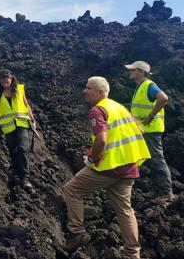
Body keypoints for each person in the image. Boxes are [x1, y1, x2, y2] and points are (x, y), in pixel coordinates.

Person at [62, 77, 151, 258]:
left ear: (100, 92)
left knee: (71, 189)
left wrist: (92, 158)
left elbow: (102, 140)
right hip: (128, 166)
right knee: (125, 211)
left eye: (89, 88)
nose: (85, 91)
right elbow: (139, 130)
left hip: (110, 166)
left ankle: (78, 233)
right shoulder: (119, 107)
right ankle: (132, 253)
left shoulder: (98, 110)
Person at [125, 60, 173, 204]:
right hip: (143, 130)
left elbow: (163, 98)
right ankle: (157, 189)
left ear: (140, 71)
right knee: (149, 160)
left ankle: (166, 193)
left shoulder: (149, 86)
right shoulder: (140, 87)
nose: (130, 72)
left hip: (151, 130)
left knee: (157, 159)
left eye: (132, 70)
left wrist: (150, 116)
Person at [0, 69, 37, 190]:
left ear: (12, 80)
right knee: (13, 151)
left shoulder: (19, 89)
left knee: (23, 148)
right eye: (3, 83)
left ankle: (25, 178)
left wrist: (32, 120)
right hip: (8, 127)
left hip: (22, 123)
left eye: (7, 82)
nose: (5, 85)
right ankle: (17, 173)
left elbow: (26, 105)